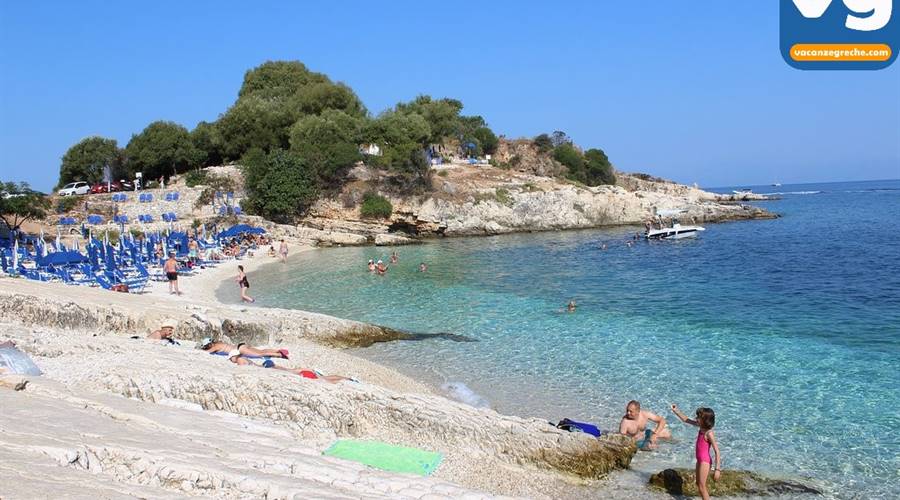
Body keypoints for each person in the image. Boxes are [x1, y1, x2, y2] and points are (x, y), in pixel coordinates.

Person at [671, 404, 722, 500]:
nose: (696, 418)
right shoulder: (701, 427)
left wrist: (717, 469)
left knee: (702, 487)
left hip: (705, 461)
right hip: (700, 460)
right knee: (698, 484)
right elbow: (686, 419)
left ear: (705, 420)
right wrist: (676, 411)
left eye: (698, 417)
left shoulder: (709, 433)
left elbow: (717, 451)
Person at [228, 354, 354, 384]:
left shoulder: (240, 360)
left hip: (304, 375)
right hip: (303, 373)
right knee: (324, 378)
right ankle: (348, 379)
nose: (230, 360)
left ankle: (346, 380)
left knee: (325, 380)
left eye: (230, 358)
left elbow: (242, 369)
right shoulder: (247, 359)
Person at [199, 337, 289, 359]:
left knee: (260, 354)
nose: (207, 347)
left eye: (206, 346)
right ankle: (278, 350)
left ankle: (280, 355)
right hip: (241, 345)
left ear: (209, 344)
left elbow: (207, 352)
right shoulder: (218, 343)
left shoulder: (215, 347)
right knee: (261, 351)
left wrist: (202, 349)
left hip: (240, 349)